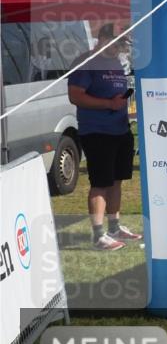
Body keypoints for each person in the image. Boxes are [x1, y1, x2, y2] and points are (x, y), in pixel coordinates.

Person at [67, 23, 142, 251]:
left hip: (120, 129)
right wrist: (109, 103)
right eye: (119, 42)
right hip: (97, 132)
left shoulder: (116, 63)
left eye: (124, 44)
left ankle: (114, 227)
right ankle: (99, 235)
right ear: (104, 38)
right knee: (100, 182)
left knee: (116, 180)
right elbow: (75, 96)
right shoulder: (86, 62)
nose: (121, 48)